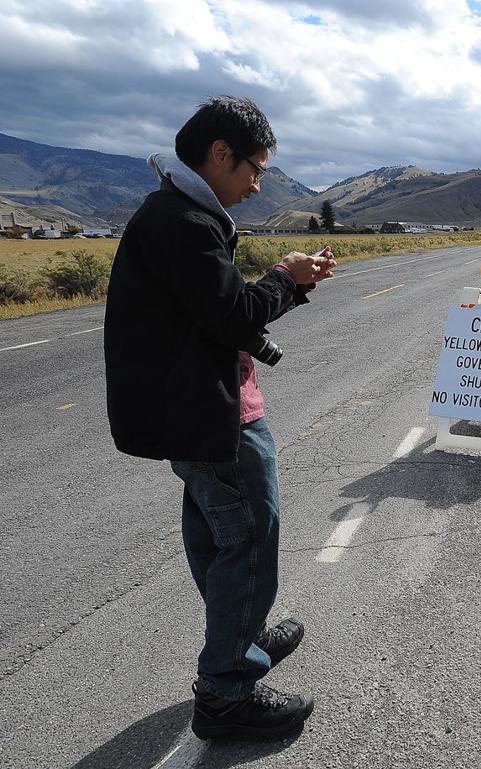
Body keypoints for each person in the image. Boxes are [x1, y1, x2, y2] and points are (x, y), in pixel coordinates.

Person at [104, 96, 335, 740]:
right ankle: (227, 691)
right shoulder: (184, 220)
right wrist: (285, 280)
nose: (257, 185)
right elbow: (232, 317)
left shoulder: (180, 213)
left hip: (198, 411)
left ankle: (245, 635)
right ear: (220, 154)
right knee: (249, 539)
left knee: (216, 535)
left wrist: (282, 283)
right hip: (215, 417)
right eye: (254, 170)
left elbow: (213, 309)